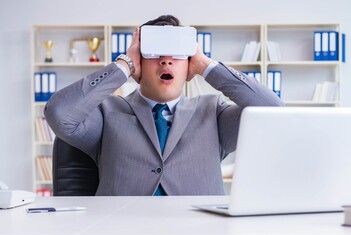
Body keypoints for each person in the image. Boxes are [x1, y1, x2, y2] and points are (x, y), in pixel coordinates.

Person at [44, 15, 284, 196]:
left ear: (189, 67)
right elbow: (58, 113)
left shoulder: (214, 113)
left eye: (177, 53)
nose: (166, 60)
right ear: (139, 64)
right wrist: (124, 65)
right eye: (154, 52)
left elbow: (274, 113)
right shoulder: (107, 113)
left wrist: (205, 65)